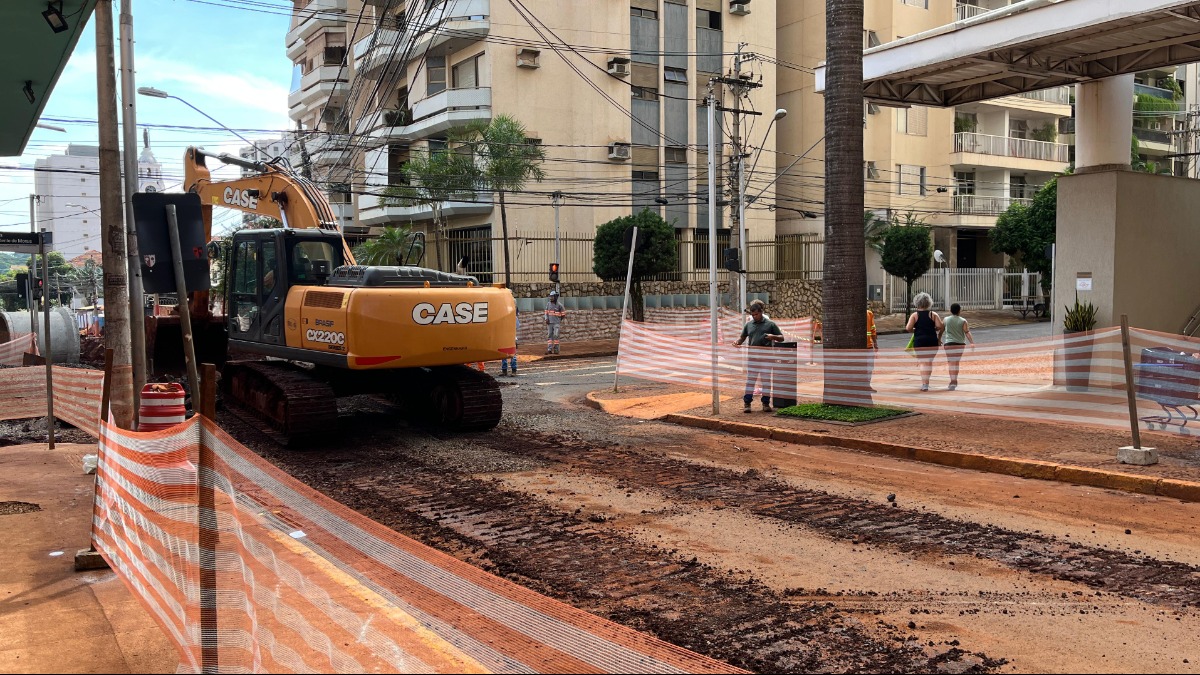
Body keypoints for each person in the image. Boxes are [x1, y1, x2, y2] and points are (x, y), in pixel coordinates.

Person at [734, 299, 785, 413]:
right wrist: (737, 343)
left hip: (766, 358)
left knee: (766, 381)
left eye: (756, 314)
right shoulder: (748, 325)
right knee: (750, 381)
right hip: (753, 358)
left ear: (761, 312)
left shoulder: (770, 324)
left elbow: (782, 338)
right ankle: (747, 403)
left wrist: (773, 336)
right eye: (753, 315)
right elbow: (742, 337)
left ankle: (765, 404)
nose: (755, 317)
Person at [905, 292, 944, 391]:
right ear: (929, 303)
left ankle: (924, 384)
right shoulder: (933, 314)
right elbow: (940, 326)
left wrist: (915, 330)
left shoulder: (915, 315)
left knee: (922, 362)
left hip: (920, 341)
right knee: (929, 362)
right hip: (932, 340)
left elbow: (908, 328)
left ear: (916, 303)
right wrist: (935, 331)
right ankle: (927, 382)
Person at [942, 303, 974, 391]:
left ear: (950, 310)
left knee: (951, 363)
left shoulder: (946, 320)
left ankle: (953, 382)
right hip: (960, 344)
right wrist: (971, 342)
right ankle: (954, 381)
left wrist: (938, 339)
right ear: (959, 310)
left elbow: (941, 330)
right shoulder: (963, 321)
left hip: (949, 344)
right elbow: (967, 332)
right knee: (956, 363)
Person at [545, 290, 565, 354]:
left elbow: (563, 314)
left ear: (555, 297)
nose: (551, 298)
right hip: (550, 323)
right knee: (549, 336)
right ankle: (549, 349)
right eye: (550, 297)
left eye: (552, 297)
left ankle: (556, 349)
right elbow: (546, 313)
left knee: (556, 336)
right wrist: (546, 319)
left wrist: (558, 320)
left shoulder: (560, 305)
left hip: (556, 323)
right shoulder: (548, 304)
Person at [502, 308, 520, 376]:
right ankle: (510, 370)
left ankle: (509, 370)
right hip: (508, 337)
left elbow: (517, 326)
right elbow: (517, 326)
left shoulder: (512, 317)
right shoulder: (513, 317)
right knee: (507, 355)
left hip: (510, 338)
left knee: (509, 355)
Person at [865, 304, 879, 392]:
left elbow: (873, 330)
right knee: (868, 367)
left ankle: (867, 385)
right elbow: (873, 330)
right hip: (866, 346)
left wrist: (875, 344)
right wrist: (875, 344)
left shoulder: (869, 314)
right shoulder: (868, 313)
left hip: (868, 346)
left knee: (869, 367)